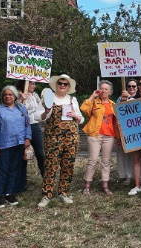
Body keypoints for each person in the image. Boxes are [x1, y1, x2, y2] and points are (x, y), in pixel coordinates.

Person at [38, 74, 84, 208]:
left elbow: (81, 119)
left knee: (68, 166)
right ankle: (46, 195)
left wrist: (76, 115)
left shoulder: (73, 99)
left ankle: (63, 193)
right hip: (53, 138)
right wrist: (46, 112)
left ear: (69, 86)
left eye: (65, 84)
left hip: (70, 138)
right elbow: (39, 117)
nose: (62, 85)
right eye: (60, 83)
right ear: (56, 84)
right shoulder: (48, 97)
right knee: (50, 166)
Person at [0, 86, 31, 208]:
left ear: (15, 96)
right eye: (5, 95)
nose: (8, 96)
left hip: (18, 144)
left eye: (10, 94)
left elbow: (27, 125)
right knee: (1, 170)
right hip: (3, 145)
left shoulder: (21, 108)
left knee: (14, 169)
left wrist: (27, 137)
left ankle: (9, 193)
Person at [80, 80, 120, 195]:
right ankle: (87, 185)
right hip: (94, 135)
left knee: (106, 161)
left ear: (110, 92)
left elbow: (117, 120)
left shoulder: (113, 105)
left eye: (106, 89)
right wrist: (93, 95)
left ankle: (105, 186)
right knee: (92, 160)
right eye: (101, 88)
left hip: (109, 136)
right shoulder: (94, 102)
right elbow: (83, 108)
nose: (103, 90)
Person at [116, 79, 141, 186]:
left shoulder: (140, 98)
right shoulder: (120, 99)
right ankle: (128, 176)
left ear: (137, 88)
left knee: (138, 155)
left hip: (139, 131)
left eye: (133, 86)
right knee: (127, 155)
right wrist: (123, 101)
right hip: (126, 130)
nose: (131, 88)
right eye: (129, 86)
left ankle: (140, 176)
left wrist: (130, 98)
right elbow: (116, 113)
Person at [16, 80, 45, 179]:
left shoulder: (35, 96)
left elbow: (40, 110)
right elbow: (11, 110)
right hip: (22, 127)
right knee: (22, 155)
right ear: (26, 83)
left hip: (35, 125)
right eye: (32, 83)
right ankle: (21, 181)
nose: (35, 86)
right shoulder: (16, 95)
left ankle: (46, 179)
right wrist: (20, 100)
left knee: (40, 153)